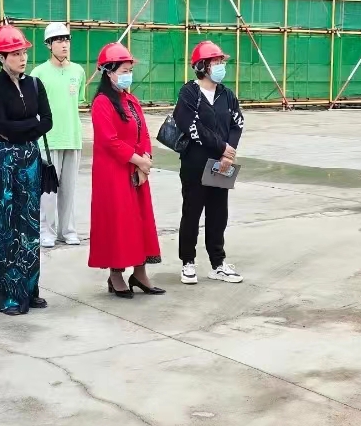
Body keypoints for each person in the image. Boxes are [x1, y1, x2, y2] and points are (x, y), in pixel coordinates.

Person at [0, 24, 52, 315]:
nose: (22, 58)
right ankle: (9, 295)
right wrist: (30, 125)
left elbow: (47, 121)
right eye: (14, 53)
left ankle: (30, 288)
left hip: (30, 158)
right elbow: (1, 126)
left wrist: (22, 128)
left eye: (23, 52)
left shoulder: (35, 84)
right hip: (4, 161)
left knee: (30, 225)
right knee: (5, 227)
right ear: (1, 57)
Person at [88, 43, 164, 299]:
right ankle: (116, 274)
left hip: (136, 170)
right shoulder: (102, 103)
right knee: (118, 222)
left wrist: (146, 160)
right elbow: (109, 141)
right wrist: (138, 161)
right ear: (108, 72)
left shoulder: (131, 100)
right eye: (124, 70)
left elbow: (143, 133)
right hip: (113, 173)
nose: (128, 75)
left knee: (140, 221)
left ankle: (140, 273)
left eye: (130, 70)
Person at [171, 41, 246, 285]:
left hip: (222, 164)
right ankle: (188, 262)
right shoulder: (189, 93)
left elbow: (237, 123)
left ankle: (218, 263)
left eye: (221, 62)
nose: (221, 66)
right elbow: (191, 126)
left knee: (218, 213)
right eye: (216, 62)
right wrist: (222, 147)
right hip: (195, 163)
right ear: (202, 66)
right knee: (192, 212)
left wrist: (228, 154)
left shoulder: (227, 94)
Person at [30, 22, 86, 248]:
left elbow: (77, 101)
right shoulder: (38, 74)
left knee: (69, 190)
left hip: (73, 138)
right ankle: (46, 231)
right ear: (49, 44)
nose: (64, 44)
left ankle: (68, 231)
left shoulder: (78, 71)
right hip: (48, 140)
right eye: (59, 40)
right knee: (48, 190)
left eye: (67, 39)